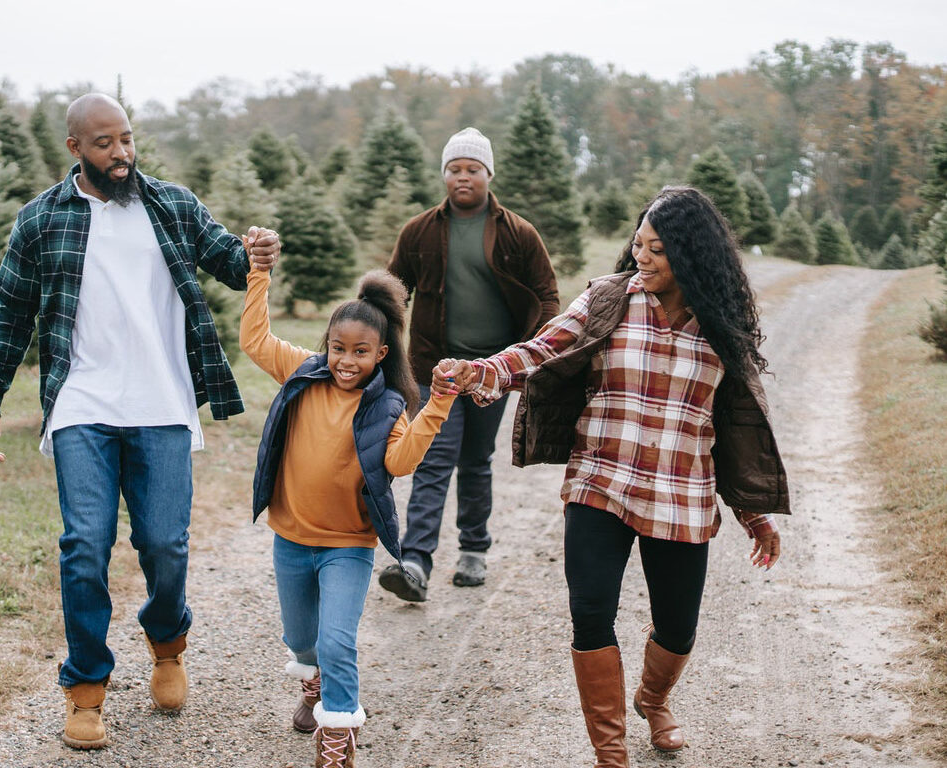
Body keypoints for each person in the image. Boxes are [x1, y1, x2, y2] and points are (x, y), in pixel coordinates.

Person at [433, 186, 788, 768]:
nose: (640, 256)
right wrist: (477, 372)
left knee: (678, 627)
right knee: (591, 612)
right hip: (600, 480)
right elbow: (538, 352)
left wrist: (753, 512)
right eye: (638, 244)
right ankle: (610, 751)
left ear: (693, 257)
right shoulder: (609, 300)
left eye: (657, 249)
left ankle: (653, 699)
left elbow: (737, 428)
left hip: (681, 494)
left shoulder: (722, 326)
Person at [0, 93, 281, 750]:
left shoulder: (169, 204)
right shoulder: (40, 220)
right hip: (82, 403)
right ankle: (86, 690)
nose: (121, 153)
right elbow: (11, 314)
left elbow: (228, 259)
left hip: (161, 405)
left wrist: (256, 252)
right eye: (105, 143)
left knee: (165, 547)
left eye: (127, 139)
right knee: (85, 547)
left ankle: (167, 644)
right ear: (75, 148)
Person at [240, 255, 456, 767]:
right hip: (291, 539)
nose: (346, 361)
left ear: (381, 353)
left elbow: (400, 462)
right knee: (301, 639)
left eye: (360, 352)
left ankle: (337, 733)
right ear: (326, 345)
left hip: (347, 547)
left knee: (336, 641)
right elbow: (254, 341)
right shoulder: (302, 373)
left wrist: (438, 403)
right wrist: (260, 274)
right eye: (338, 348)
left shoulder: (386, 407)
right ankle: (312, 685)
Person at [378, 127, 560, 602]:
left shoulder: (517, 232)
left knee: (477, 460)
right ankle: (414, 561)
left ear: (487, 174)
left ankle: (473, 551)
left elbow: (546, 295)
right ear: (444, 175)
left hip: (491, 372)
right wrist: (377, 346)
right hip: (434, 369)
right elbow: (393, 294)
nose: (463, 177)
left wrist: (527, 354)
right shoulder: (419, 231)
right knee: (433, 459)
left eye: (472, 169)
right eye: (455, 169)